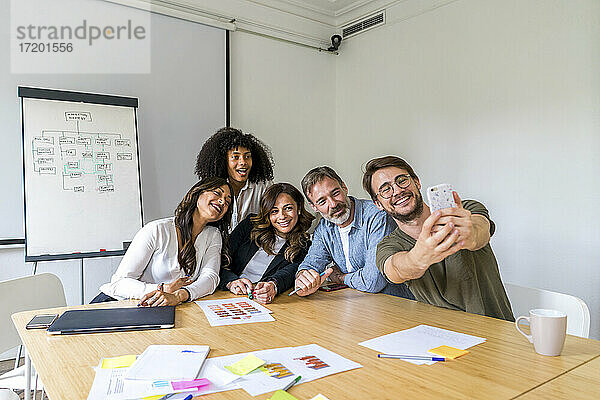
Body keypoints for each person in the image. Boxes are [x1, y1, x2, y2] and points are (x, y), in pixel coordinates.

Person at [362, 155, 514, 321]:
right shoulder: (388, 245)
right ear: (378, 204)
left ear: (417, 182)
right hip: (439, 340)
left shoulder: (464, 212)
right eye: (385, 189)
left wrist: (470, 234)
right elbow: (395, 269)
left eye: (402, 180)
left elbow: (481, 230)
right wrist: (417, 258)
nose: (397, 191)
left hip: (497, 332)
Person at [91, 177, 233, 306]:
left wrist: (180, 295)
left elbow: (210, 278)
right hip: (116, 304)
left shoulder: (213, 235)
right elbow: (119, 283)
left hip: (160, 309)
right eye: (217, 193)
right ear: (198, 193)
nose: (222, 201)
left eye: (227, 201)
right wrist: (162, 289)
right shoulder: (157, 230)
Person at [293, 166, 414, 298]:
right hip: (355, 304)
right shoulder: (324, 228)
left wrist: (340, 278)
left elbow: (373, 282)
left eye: (335, 193)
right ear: (314, 207)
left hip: (396, 305)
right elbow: (311, 264)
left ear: (344, 187)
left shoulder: (377, 216)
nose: (333, 204)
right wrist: (303, 277)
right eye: (322, 201)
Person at [219, 183, 313, 304]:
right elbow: (219, 259)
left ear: (298, 209)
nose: (282, 216)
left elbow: (288, 274)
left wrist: (273, 285)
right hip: (225, 295)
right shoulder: (249, 226)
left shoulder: (304, 246)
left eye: (288, 208)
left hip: (264, 302)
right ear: (267, 213)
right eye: (274, 211)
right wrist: (231, 282)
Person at [195, 127, 274, 231]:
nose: (243, 162)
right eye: (235, 157)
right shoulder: (211, 188)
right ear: (224, 161)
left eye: (247, 156)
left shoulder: (263, 186)